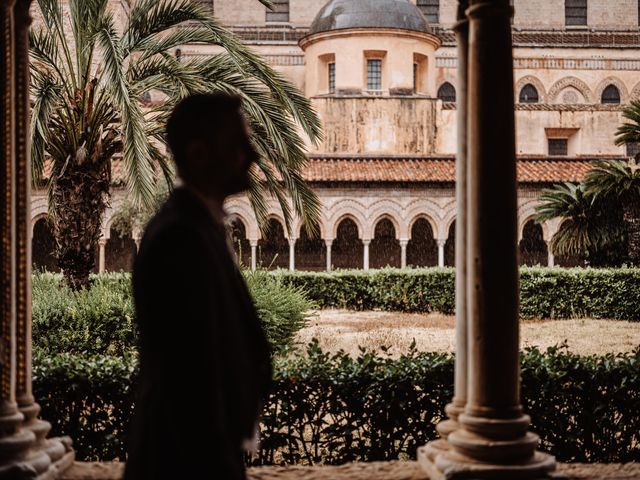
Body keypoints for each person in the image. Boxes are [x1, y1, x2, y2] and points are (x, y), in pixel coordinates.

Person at [124, 93, 272, 480]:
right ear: (200, 153)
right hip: (185, 462)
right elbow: (189, 378)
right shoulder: (179, 239)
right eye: (238, 144)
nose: (253, 155)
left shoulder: (197, 227)